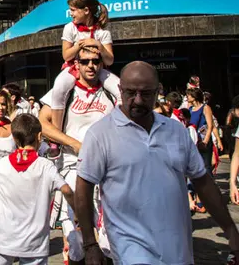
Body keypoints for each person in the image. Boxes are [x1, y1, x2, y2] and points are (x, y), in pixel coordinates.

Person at [76, 61, 239, 264]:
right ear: (120, 90)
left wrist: (230, 230)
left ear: (156, 92)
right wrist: (90, 243)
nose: (137, 100)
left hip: (178, 253)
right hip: (130, 252)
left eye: (145, 94)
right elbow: (83, 186)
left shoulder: (176, 131)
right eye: (130, 92)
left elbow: (203, 182)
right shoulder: (100, 134)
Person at [37, 45, 116, 264]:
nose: (91, 65)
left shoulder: (111, 90)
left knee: (109, 236)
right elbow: (42, 124)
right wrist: (76, 144)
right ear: (76, 64)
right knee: (77, 239)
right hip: (74, 167)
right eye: (85, 61)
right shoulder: (65, 91)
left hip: (108, 170)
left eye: (95, 61)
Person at [0, 114, 74, 265]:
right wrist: (76, 210)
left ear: (14, 139)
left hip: (5, 238)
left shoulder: (2, 165)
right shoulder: (45, 166)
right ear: (40, 136)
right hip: (35, 243)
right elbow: (67, 190)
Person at [49, 0, 121, 156]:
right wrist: (80, 45)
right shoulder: (69, 28)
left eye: (74, 10)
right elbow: (66, 55)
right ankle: (56, 139)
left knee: (120, 89)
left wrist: (98, 45)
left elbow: (109, 60)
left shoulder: (103, 33)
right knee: (59, 87)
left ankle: (119, 130)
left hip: (99, 69)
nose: (71, 13)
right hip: (73, 68)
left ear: (86, 10)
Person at [186, 87, 215, 173]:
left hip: (203, 138)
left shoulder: (205, 108)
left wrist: (206, 140)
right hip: (194, 139)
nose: (187, 97)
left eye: (188, 95)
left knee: (206, 165)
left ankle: (208, 185)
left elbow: (210, 126)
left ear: (194, 97)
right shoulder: (190, 109)